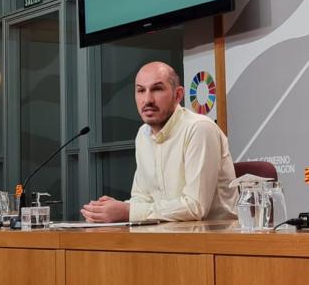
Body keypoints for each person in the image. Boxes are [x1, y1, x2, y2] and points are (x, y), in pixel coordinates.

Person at [81, 61, 236, 222]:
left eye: (157, 89)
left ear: (178, 95)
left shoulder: (199, 129)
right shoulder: (143, 134)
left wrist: (128, 212)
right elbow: (142, 198)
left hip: (215, 240)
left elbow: (195, 207)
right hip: (167, 235)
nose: (147, 99)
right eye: (140, 90)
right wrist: (106, 211)